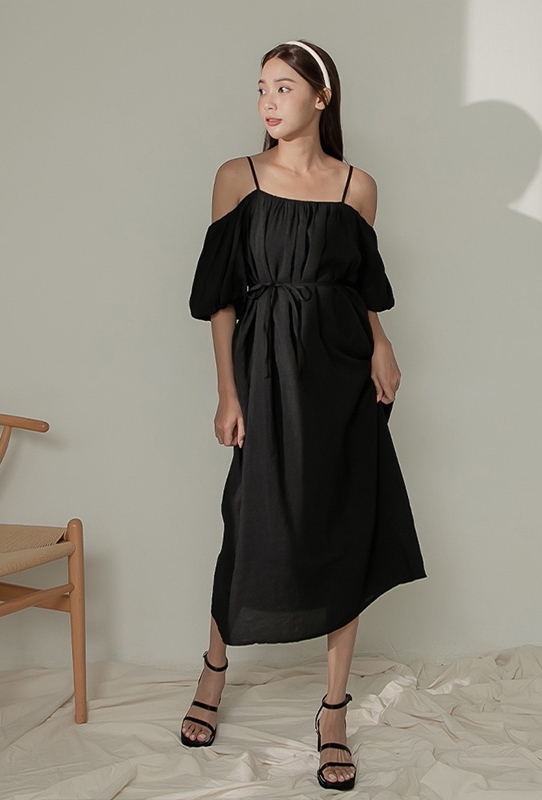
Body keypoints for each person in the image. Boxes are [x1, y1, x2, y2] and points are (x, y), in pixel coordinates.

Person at [184, 39, 427, 791]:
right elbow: (220, 298)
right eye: (262, 87)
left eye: (284, 87)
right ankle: (215, 668)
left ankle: (333, 710)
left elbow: (357, 285)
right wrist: (228, 392)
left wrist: (381, 343)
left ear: (322, 97)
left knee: (342, 522)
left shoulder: (357, 186)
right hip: (263, 371)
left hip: (341, 373)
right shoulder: (238, 177)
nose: (268, 101)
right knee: (251, 519)